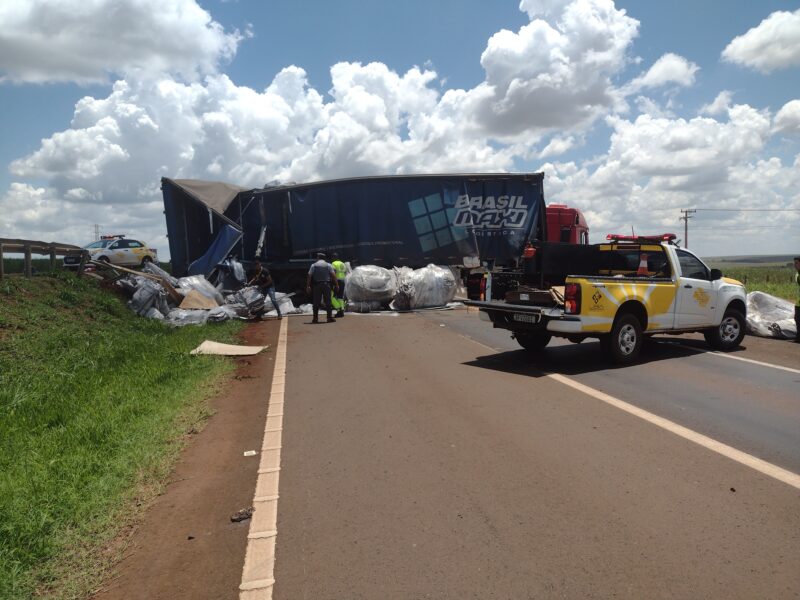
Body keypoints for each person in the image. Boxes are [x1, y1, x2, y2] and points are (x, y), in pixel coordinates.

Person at [306, 252, 338, 323]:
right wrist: (336, 285)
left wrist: (308, 286)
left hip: (317, 285)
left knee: (316, 302)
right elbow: (333, 275)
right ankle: (329, 318)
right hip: (327, 285)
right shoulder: (328, 265)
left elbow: (309, 275)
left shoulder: (313, 265)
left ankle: (315, 318)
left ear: (318, 258)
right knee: (328, 302)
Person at [330, 252, 347, 318]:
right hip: (343, 281)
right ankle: (342, 311)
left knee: (332, 297)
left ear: (334, 257)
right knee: (340, 297)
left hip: (336, 281)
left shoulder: (333, 263)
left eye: (332, 257)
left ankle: (339, 309)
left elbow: (333, 273)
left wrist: (332, 282)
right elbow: (345, 272)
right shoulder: (342, 263)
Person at [794, 256, 800, 343]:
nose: (795, 265)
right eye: (794, 263)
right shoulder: (797, 274)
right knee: (797, 320)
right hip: (798, 303)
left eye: (797, 263)